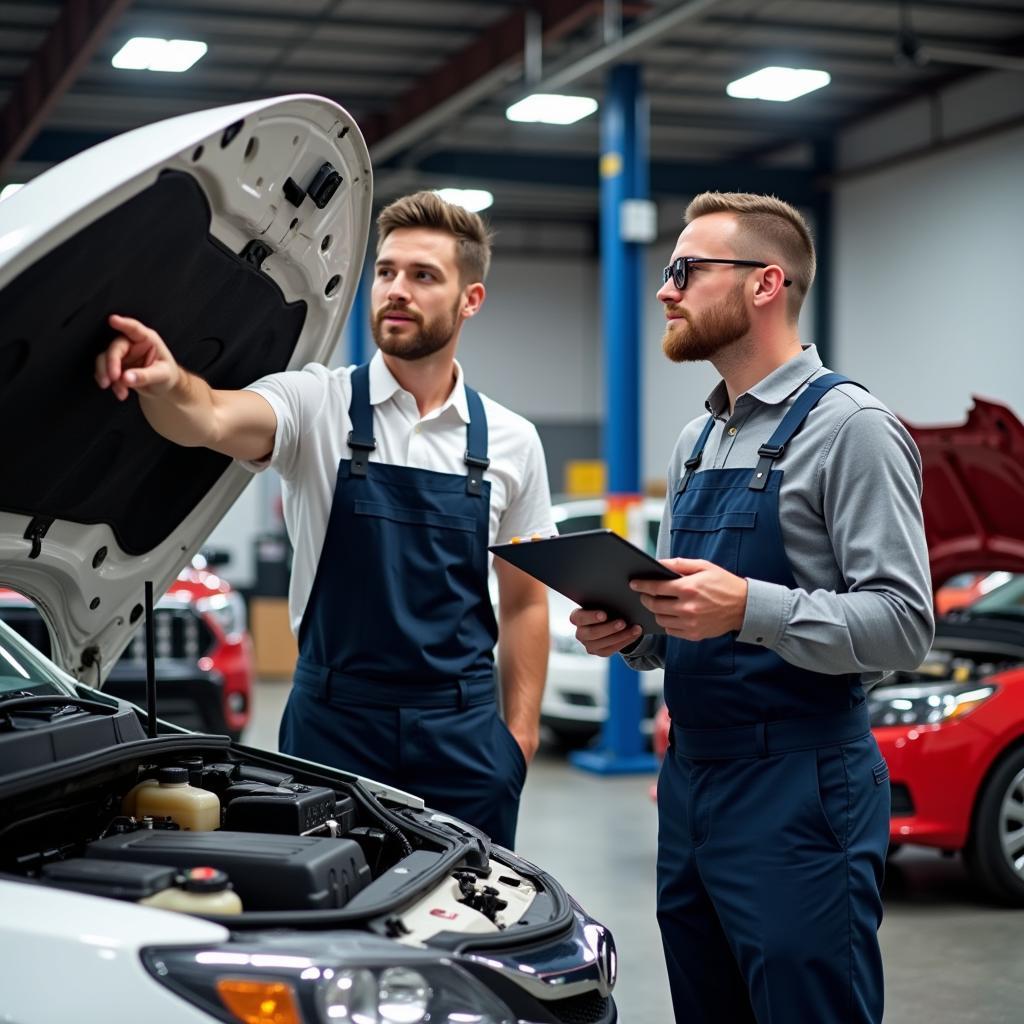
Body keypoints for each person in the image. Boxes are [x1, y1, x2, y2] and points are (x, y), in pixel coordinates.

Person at [571, 192, 934, 1023]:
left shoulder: (854, 428)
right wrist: (633, 633)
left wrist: (749, 608)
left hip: (801, 785)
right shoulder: (697, 442)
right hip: (694, 780)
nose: (665, 290)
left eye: (685, 271)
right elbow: (687, 623)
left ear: (766, 283)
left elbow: (905, 624)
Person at [95, 191, 554, 849]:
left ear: (469, 300)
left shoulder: (512, 441)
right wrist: (170, 383)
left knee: (468, 918)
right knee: (324, 901)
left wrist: (519, 737)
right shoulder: (317, 403)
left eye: (423, 276)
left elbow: (524, 603)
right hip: (336, 726)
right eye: (387, 271)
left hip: (465, 732)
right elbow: (212, 418)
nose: (396, 289)